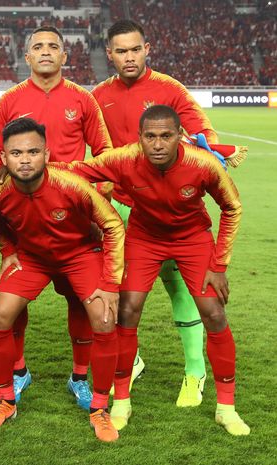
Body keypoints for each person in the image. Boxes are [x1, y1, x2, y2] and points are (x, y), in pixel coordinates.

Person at [61, 105, 249, 436]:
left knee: (214, 313)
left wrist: (219, 265)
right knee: (128, 310)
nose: (158, 144)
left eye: (166, 136)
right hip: (144, 238)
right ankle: (122, 403)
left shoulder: (201, 164)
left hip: (193, 239)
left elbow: (232, 207)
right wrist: (30, 168)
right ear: (140, 138)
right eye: (150, 137)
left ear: (179, 136)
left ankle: (226, 409)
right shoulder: (123, 159)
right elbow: (80, 170)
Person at [91, 19, 244, 406]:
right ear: (109, 54)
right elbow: (93, 151)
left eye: (135, 49)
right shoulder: (97, 96)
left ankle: (195, 372)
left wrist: (200, 161)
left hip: (169, 210)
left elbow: (204, 140)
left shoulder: (170, 89)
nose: (129, 57)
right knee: (116, 298)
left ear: (147, 49)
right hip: (121, 213)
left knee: (183, 293)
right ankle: (132, 362)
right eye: (120, 51)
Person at [0, 26, 113, 408]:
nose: (45, 52)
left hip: (76, 223)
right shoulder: (10, 100)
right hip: (26, 221)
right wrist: (0, 193)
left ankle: (80, 377)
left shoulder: (83, 99)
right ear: (26, 56)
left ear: (65, 56)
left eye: (53, 46)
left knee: (81, 303)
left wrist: (92, 201)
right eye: (37, 46)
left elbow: (104, 155)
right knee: (13, 304)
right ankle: (18, 371)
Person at [0, 118, 124, 442]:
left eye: (33, 151)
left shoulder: (72, 185)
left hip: (80, 254)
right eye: (16, 153)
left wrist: (110, 284)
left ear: (47, 153)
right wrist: (8, 249)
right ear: (4, 158)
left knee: (104, 318)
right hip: (32, 258)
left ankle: (99, 407)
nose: (25, 159)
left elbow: (113, 225)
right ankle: (6, 401)